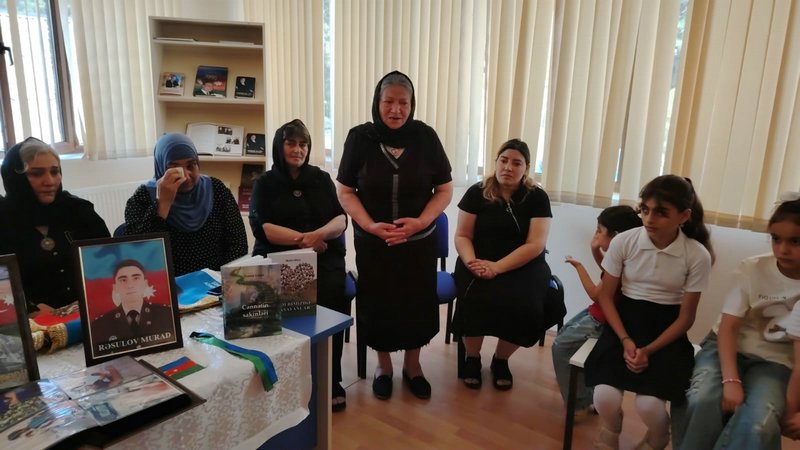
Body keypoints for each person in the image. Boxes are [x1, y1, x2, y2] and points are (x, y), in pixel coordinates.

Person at [336, 71, 453, 400]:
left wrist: (421, 222)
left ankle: (413, 367)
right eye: (389, 101)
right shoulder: (360, 138)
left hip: (419, 243)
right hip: (375, 244)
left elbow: (444, 189)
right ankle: (383, 366)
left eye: (404, 102)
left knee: (417, 303)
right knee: (379, 304)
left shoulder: (426, 137)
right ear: (378, 102)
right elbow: (345, 191)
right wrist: (369, 225)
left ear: (412, 105)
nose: (396, 109)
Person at [583, 175, 713, 450]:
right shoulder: (624, 242)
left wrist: (649, 350)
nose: (649, 219)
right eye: (645, 209)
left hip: (666, 330)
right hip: (624, 323)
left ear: (684, 216)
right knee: (604, 396)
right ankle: (611, 428)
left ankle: (658, 436)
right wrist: (625, 340)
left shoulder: (696, 254)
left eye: (661, 212)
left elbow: (686, 317)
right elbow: (606, 297)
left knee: (649, 405)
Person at [674, 196, 800, 449]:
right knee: (702, 398)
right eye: (776, 239)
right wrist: (731, 381)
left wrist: (791, 409)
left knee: (759, 423)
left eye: (795, 241)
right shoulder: (751, 269)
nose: (783, 249)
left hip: (776, 361)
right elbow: (728, 328)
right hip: (725, 346)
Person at [249, 119, 349, 411]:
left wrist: (319, 235)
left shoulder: (321, 179)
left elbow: (341, 219)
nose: (298, 149)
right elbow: (264, 228)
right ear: (279, 146)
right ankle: (284, 378)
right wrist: (306, 240)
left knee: (332, 296)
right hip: (278, 258)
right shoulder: (264, 183)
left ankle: (331, 377)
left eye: (303, 144)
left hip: (323, 259)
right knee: (275, 308)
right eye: (291, 143)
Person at [451, 139, 551, 391]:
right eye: (503, 161)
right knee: (473, 297)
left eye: (516, 163)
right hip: (477, 260)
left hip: (523, 264)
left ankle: (501, 359)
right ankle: (472, 357)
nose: (508, 167)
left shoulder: (537, 197)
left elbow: (535, 244)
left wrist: (497, 267)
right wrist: (472, 262)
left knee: (526, 303)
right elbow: (462, 235)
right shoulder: (476, 192)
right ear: (495, 162)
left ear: (526, 168)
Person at [0, 137, 110, 314]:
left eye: (54, 171)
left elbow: (108, 262)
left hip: (87, 311)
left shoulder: (79, 212)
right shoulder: (4, 220)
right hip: (29, 319)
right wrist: (28, 308)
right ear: (15, 178)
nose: (50, 181)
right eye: (37, 174)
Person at [551, 206, 642, 414]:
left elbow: (595, 293)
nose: (596, 235)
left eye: (599, 231)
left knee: (560, 346)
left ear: (616, 237)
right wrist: (595, 250)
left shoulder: (625, 262)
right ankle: (575, 384)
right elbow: (609, 272)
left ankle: (582, 400)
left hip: (600, 320)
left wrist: (579, 267)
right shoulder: (629, 257)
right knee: (564, 334)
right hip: (596, 313)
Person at [124, 133, 248, 275]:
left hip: (215, 280)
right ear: (161, 167)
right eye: (175, 170)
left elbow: (238, 243)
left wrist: (224, 277)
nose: (186, 176)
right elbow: (138, 254)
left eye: (191, 165)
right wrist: (162, 204)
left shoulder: (216, 189)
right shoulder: (143, 197)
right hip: (169, 281)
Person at [91, 259, 175, 355]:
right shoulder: (100, 325)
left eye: (136, 278)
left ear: (145, 284)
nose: (130, 285)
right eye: (123, 280)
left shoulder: (167, 314)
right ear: (115, 288)